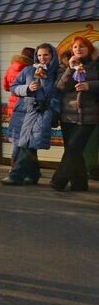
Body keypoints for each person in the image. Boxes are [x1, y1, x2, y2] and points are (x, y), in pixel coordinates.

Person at [1, 43, 58, 186]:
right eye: (39, 55)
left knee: (27, 144)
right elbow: (13, 87)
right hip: (24, 112)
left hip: (42, 112)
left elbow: (58, 93)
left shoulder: (57, 72)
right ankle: (33, 175)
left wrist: (53, 110)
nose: (42, 58)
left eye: (46, 55)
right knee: (28, 143)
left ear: (52, 56)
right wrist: (27, 88)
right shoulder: (28, 70)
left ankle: (16, 175)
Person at [51, 36, 99, 192]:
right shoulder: (64, 64)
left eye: (82, 46)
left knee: (74, 147)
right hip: (68, 114)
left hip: (90, 114)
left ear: (89, 49)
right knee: (73, 150)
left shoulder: (96, 64)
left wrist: (89, 85)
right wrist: (70, 69)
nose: (79, 49)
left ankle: (58, 180)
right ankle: (79, 184)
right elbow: (60, 86)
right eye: (76, 47)